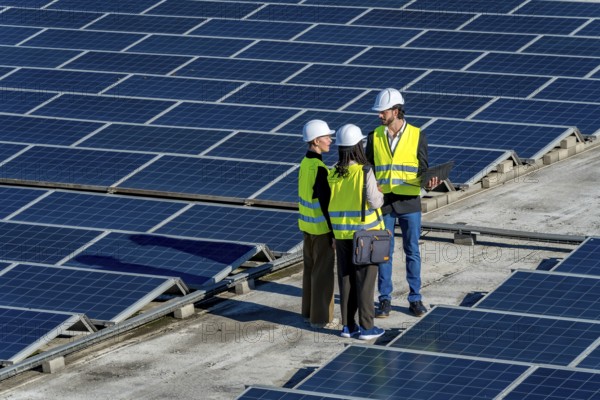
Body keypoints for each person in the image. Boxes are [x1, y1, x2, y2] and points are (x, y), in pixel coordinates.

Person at [366, 88, 439, 318]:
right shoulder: (374, 136)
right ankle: (385, 299)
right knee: (382, 252)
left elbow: (423, 170)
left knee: (412, 251)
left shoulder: (418, 135)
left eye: (383, 111)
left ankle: (415, 299)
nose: (379, 115)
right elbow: (368, 169)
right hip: (384, 203)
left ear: (396, 112)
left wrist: (430, 183)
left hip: (409, 203)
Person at [328, 124, 385, 340]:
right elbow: (375, 201)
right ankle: (367, 328)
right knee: (366, 282)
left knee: (346, 280)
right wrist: (379, 193)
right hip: (364, 236)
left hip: (341, 235)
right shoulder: (364, 171)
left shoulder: (333, 172)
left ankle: (348, 326)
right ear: (358, 146)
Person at [298, 119, 337, 329]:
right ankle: (321, 319)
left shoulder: (305, 164)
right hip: (321, 231)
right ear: (315, 141)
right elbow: (325, 205)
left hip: (307, 228)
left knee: (309, 272)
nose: (330, 140)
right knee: (322, 275)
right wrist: (333, 234)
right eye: (326, 137)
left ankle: (308, 313)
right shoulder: (320, 169)